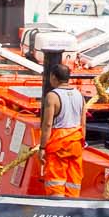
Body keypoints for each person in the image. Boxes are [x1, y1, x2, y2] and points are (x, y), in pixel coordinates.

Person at [33, 58, 88, 198]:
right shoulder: (79, 95)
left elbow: (47, 124)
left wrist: (42, 148)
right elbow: (83, 123)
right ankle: (72, 209)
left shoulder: (52, 96)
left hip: (58, 144)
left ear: (53, 77)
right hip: (75, 143)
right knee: (73, 182)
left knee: (55, 182)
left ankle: (57, 210)